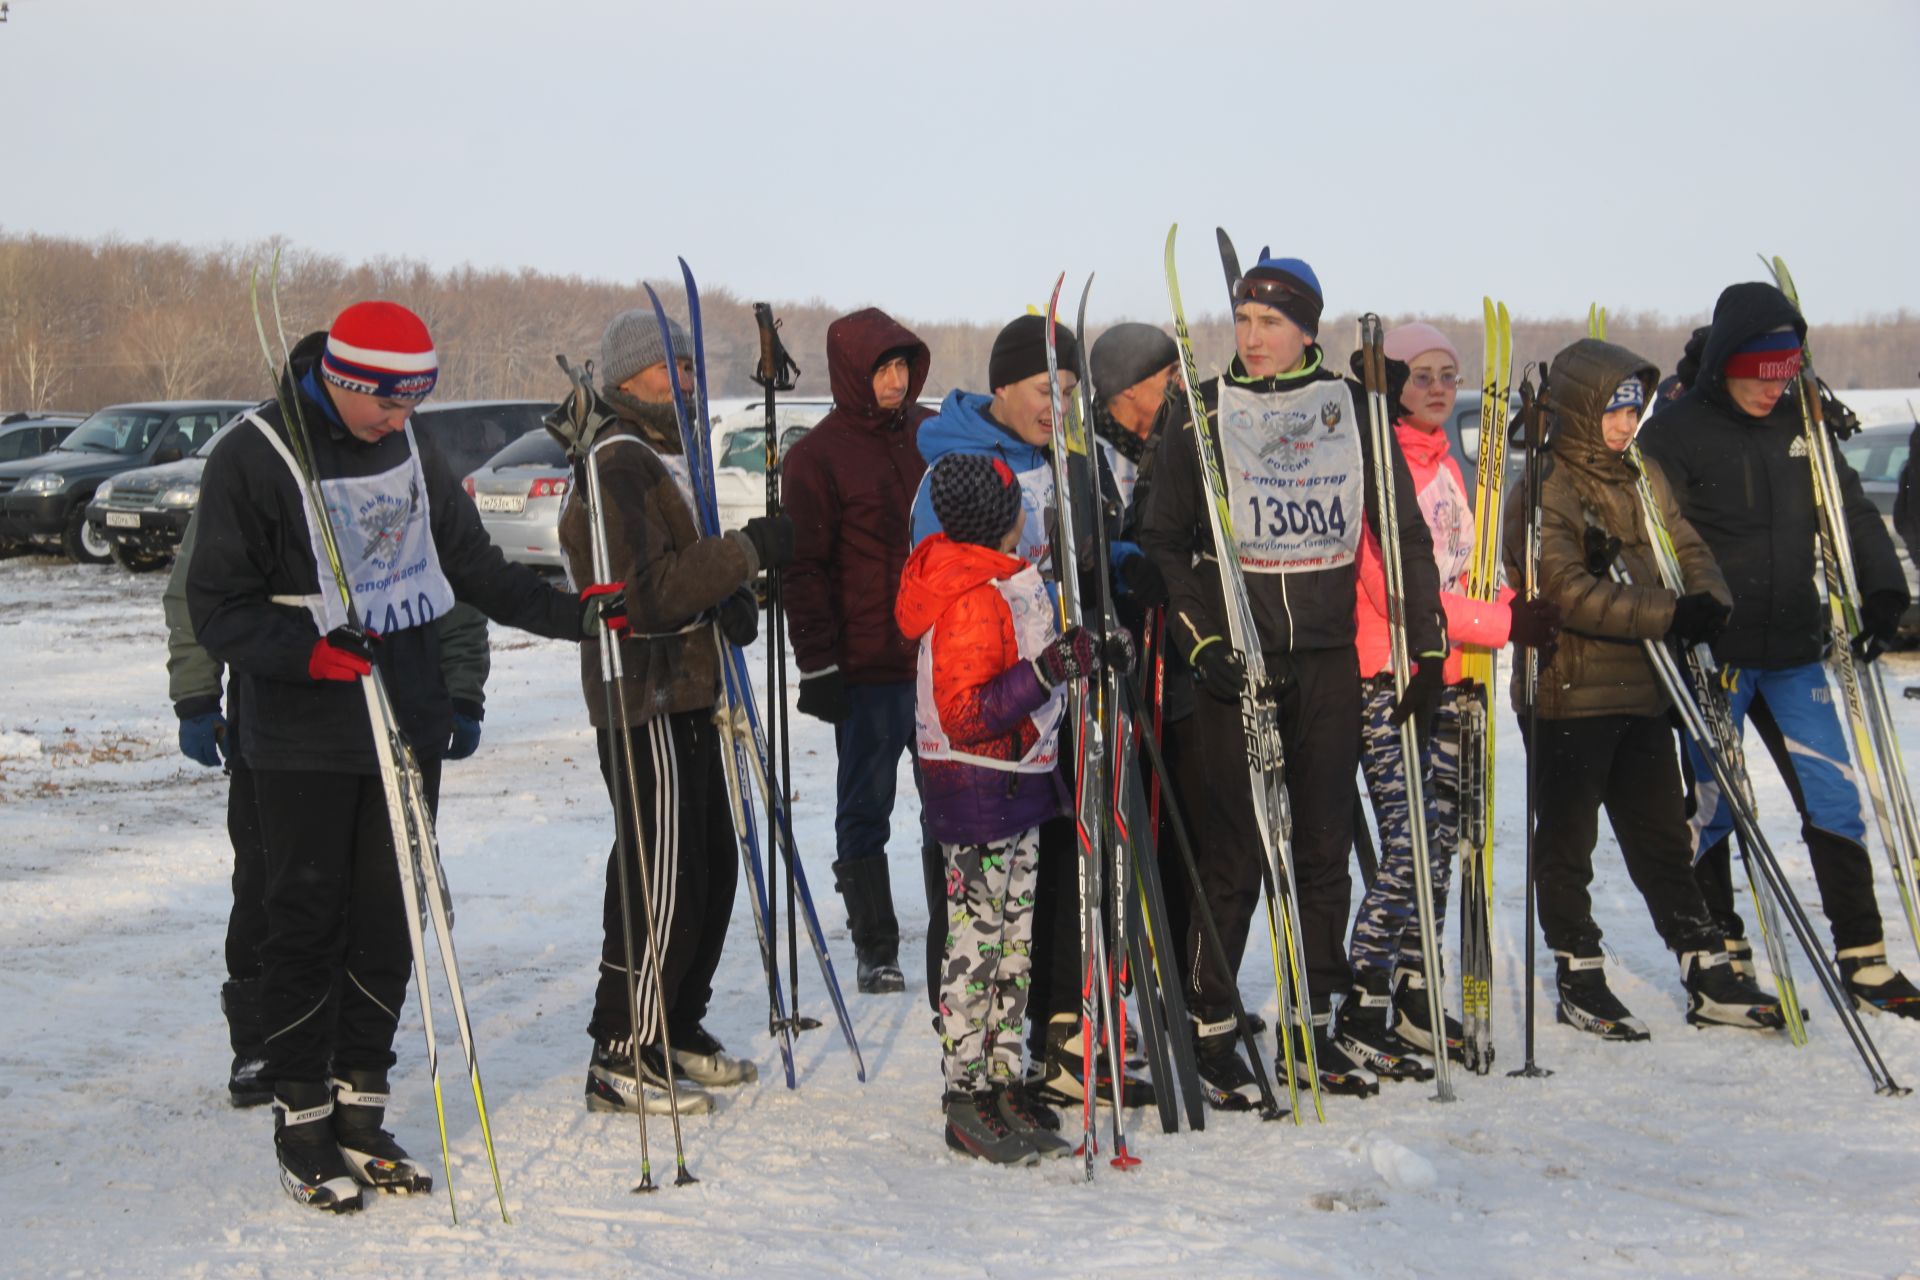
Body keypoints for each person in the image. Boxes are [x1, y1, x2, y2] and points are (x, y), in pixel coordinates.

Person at [189, 300, 612, 1213]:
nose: (400, 421)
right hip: (302, 733)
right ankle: (300, 1118)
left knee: (387, 922)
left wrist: (577, 614)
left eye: (415, 402)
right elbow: (215, 607)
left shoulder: (412, 449)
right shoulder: (254, 456)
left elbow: (473, 567)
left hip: (403, 723)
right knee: (306, 922)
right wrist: (305, 651)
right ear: (342, 380)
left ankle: (359, 1107)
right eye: (387, 403)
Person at [1139, 251, 1446, 1106]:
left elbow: (1406, 535)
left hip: (1327, 660)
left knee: (1321, 849)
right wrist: (1201, 644)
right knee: (1236, 850)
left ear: (1308, 328)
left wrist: (1425, 643)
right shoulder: (1201, 411)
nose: (1252, 336)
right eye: (1242, 320)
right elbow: (1160, 540)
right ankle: (1208, 1022)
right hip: (1235, 663)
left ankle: (1315, 1025)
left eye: (1271, 321)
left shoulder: (1352, 409)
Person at [1639, 284, 1920, 1019]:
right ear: (1728, 361)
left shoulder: (1805, 424)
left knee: (1834, 797)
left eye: (1783, 375)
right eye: (1758, 375)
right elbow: (1647, 534)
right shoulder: (1676, 432)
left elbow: (1850, 509)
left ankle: (1862, 956)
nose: (1771, 390)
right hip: (1716, 653)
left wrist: (1883, 591)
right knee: (1716, 804)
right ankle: (1717, 950)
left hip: (1797, 647)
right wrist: (1674, 614)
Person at [909, 313, 1159, 1112]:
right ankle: (968, 1056)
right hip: (986, 721)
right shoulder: (957, 472)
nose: (1060, 404)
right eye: (1046, 389)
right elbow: (939, 583)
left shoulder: (1075, 458)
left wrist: (1125, 567)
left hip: (1060, 704)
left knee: (1053, 873)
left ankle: (1047, 1036)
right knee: (980, 902)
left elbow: (1094, 540)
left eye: (1073, 391)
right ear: (1003, 387)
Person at [1501, 337, 1784, 1040]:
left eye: (1635, 410)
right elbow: (1562, 589)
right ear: (1579, 410)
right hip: (1568, 690)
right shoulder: (1543, 486)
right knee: (1568, 838)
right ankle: (1579, 966)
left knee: (1661, 833)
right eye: (1614, 412)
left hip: (1644, 689)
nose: (1627, 424)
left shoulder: (1643, 474)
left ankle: (1702, 962)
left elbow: (1686, 547)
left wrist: (1707, 600)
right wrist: (1667, 613)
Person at [166, 509, 490, 1110]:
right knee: (276, 886)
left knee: (378, 894)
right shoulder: (256, 461)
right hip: (279, 725)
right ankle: (264, 1039)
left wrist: (462, 686)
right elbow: (198, 587)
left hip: (394, 718)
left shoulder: (402, 462)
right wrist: (195, 694)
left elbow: (455, 586)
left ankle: (352, 1045)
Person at [561, 308, 799, 1117]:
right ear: (628, 380)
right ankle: (621, 1046)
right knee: (660, 873)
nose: (690, 384)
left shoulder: (666, 455)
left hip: (694, 686)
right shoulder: (615, 463)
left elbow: (684, 582)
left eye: (693, 369)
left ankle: (675, 1023)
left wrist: (732, 597)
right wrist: (744, 553)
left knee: (707, 867)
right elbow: (644, 594)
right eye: (673, 370)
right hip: (645, 692)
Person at [1339, 324, 1562, 1079]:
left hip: (1457, 675)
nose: (1438, 388)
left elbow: (1465, 575)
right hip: (1394, 679)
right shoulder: (1378, 463)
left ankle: (1407, 989)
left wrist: (1516, 605)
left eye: (1449, 375)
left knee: (1439, 855)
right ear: (1393, 382)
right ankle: (1362, 996)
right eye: (1423, 375)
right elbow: (1397, 590)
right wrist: (1502, 622)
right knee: (1411, 845)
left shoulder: (1448, 467)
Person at [896, 451, 1107, 1164]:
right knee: (977, 948)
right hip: (978, 787)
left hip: (1020, 779)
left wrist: (1071, 656)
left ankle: (1001, 1078)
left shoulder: (1009, 580)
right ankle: (964, 1094)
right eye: (1020, 503)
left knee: (1014, 947)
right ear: (1001, 518)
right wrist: (1046, 672)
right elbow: (963, 712)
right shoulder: (968, 595)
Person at [781, 308, 935, 994]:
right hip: (869, 666)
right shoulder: (816, 457)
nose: (897, 380)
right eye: (882, 369)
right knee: (866, 806)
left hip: (940, 659)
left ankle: (959, 926)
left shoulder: (933, 433)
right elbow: (802, 568)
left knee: (952, 804)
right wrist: (817, 663)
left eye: (903, 366)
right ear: (852, 373)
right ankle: (876, 945)